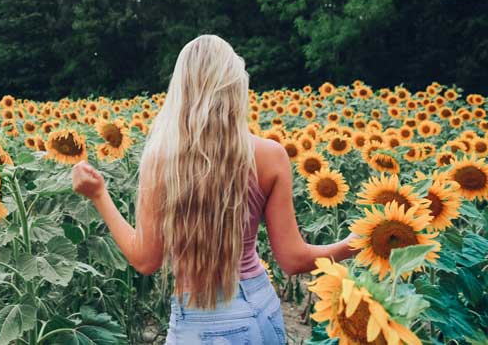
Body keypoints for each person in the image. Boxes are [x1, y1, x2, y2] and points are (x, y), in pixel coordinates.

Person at [71, 34, 359, 344]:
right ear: (236, 86)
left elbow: (145, 260)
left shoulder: (162, 160)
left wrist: (99, 194)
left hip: (198, 320)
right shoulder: (270, 155)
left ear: (181, 90)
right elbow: (292, 259)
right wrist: (354, 243)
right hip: (260, 308)